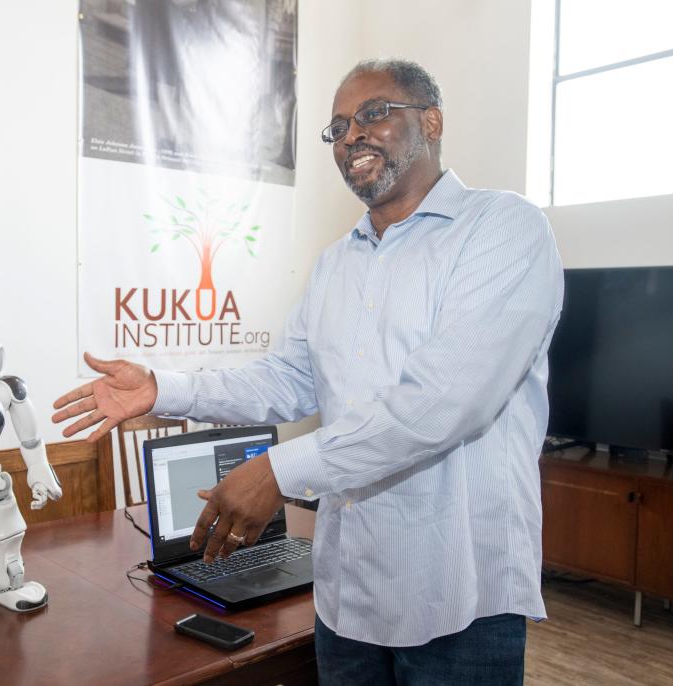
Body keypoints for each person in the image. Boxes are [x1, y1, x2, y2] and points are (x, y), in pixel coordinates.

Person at [52, 58, 563, 685]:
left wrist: (278, 470)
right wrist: (164, 386)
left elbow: (440, 405)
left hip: (459, 601)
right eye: (338, 126)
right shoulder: (335, 265)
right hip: (348, 597)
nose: (351, 136)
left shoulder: (504, 229)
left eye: (374, 113)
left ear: (430, 120)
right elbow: (285, 379)